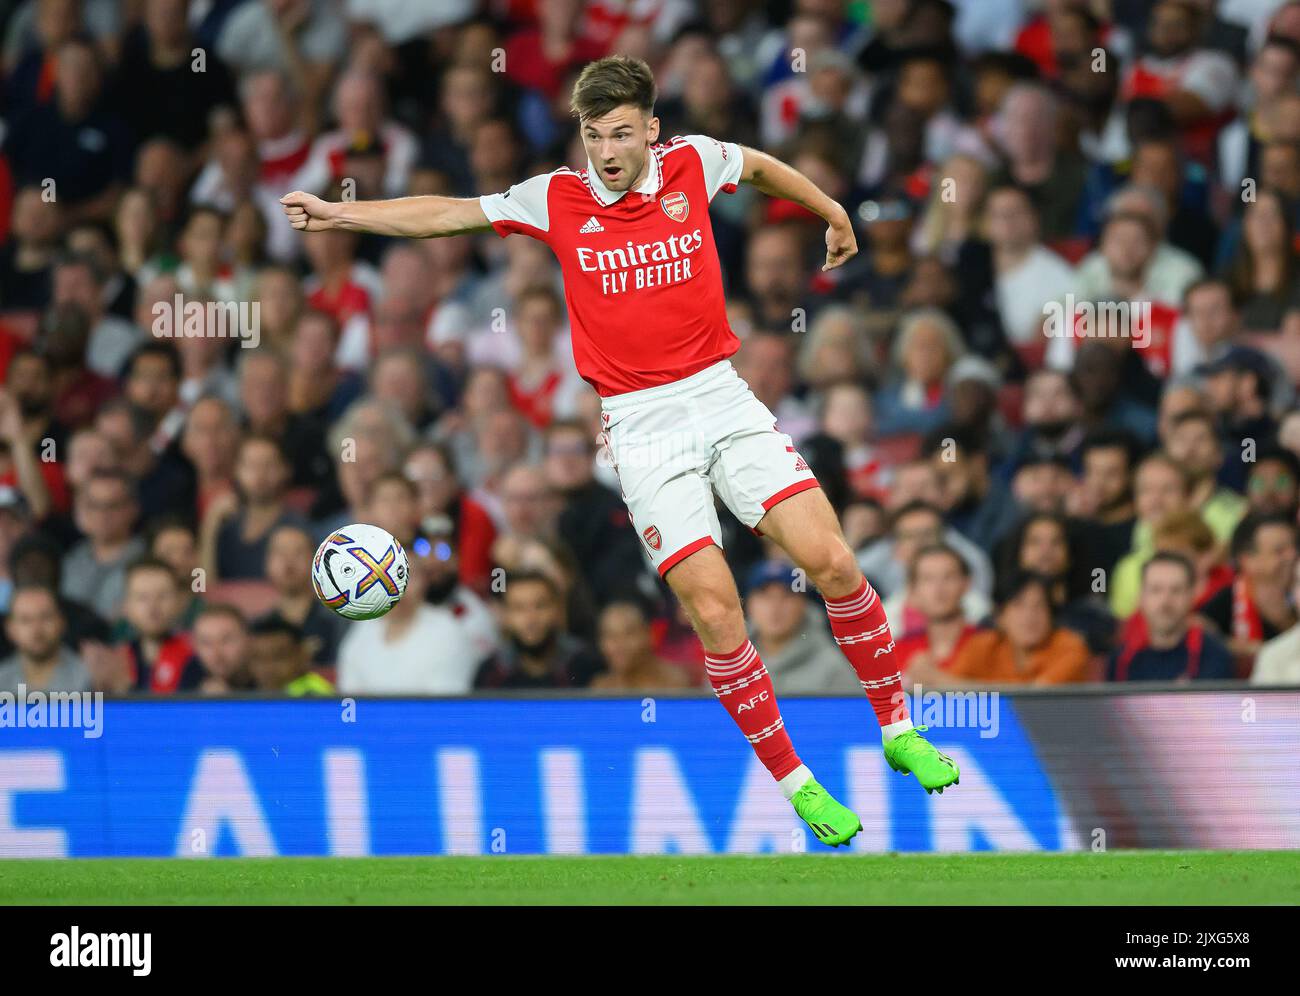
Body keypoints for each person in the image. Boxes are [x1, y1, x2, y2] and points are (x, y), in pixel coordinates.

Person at [283, 54, 958, 845]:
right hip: (640, 428)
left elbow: (763, 166)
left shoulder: (693, 164)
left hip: (722, 396)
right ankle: (799, 782)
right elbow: (447, 214)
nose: (606, 150)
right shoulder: (556, 198)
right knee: (717, 610)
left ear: (652, 132)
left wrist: (832, 210)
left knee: (835, 561)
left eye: (622, 134)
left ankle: (897, 726)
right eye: (594, 134)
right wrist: (339, 216)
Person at [937, 572, 1092, 686]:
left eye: (1039, 606)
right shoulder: (983, 645)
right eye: (1018, 605)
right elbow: (945, 693)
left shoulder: (1071, 646)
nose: (1029, 616)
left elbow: (1032, 699)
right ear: (1000, 617)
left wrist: (939, 679)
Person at [1108, 552, 1234, 682]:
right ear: (1141, 596)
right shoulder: (1120, 660)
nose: (1165, 601)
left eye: (1176, 590)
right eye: (1156, 590)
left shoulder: (1214, 656)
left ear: (1192, 595)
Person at [0, 584, 90, 695]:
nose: (37, 629)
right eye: (26, 620)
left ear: (61, 622)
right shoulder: (2, 679)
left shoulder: (88, 677)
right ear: (10, 629)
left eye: (45, 617)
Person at [590, 598, 690, 691]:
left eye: (629, 633)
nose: (618, 645)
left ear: (648, 634)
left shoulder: (674, 685)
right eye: (609, 636)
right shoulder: (601, 688)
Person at [247, 615, 335, 697]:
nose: (267, 667)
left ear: (302, 656)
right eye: (257, 658)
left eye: (278, 657)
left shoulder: (317, 696)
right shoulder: (248, 692)